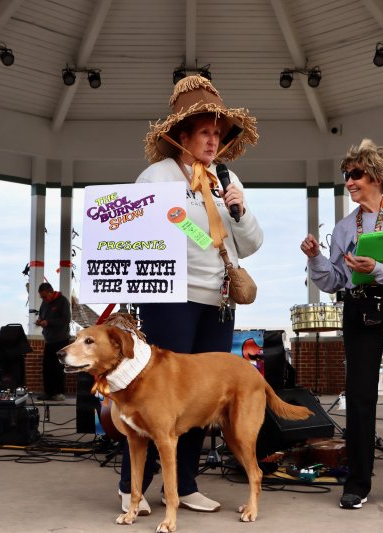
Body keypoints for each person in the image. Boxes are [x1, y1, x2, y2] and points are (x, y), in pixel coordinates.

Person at [117, 74, 263, 515]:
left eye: (218, 133)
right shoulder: (156, 177)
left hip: (217, 301)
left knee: (202, 397)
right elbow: (135, 233)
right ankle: (131, 487)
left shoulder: (226, 178)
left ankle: (185, 484)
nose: (213, 140)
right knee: (153, 396)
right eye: (205, 132)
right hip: (170, 300)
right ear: (183, 135)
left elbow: (252, 244)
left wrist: (238, 210)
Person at [301, 138, 383, 510]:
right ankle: (357, 483)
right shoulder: (346, 227)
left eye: (355, 174)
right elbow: (333, 281)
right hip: (360, 308)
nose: (349, 181)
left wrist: (377, 268)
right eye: (346, 175)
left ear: (376, 174)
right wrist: (315, 258)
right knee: (359, 396)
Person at [37, 282, 71, 401]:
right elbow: (42, 315)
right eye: (42, 297)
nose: (44, 299)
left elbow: (66, 319)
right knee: (47, 368)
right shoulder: (44, 304)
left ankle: (59, 393)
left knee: (58, 368)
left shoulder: (63, 301)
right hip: (49, 340)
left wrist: (49, 322)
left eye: (45, 296)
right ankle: (48, 392)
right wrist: (40, 321)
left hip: (61, 340)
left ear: (51, 292)